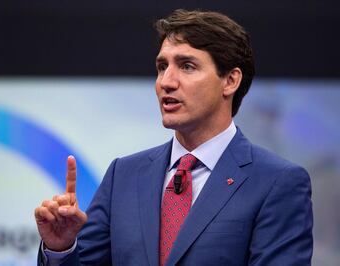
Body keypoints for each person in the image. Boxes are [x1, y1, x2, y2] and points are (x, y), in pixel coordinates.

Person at [34, 9, 313, 266]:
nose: (166, 81)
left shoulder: (277, 183)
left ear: (230, 81)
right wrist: (62, 249)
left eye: (187, 66)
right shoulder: (124, 175)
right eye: (162, 67)